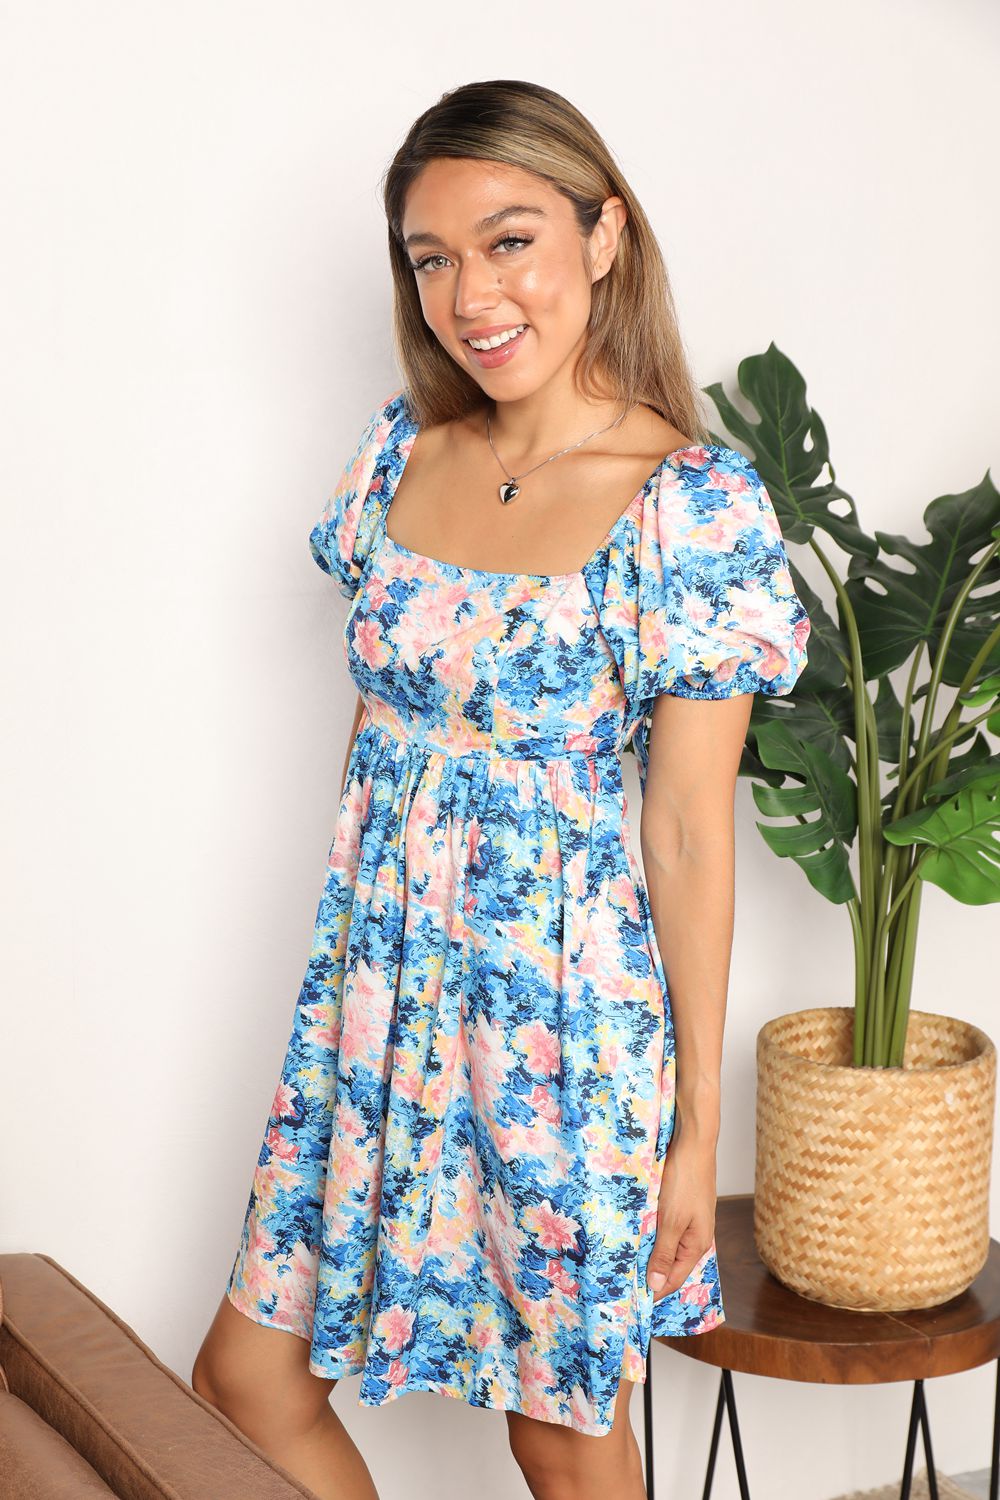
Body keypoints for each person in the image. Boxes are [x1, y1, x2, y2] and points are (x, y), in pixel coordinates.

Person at [191, 78, 811, 1500]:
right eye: (432, 256)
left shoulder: (688, 505)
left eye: (511, 239)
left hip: (563, 1028)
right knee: (248, 1380)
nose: (472, 292)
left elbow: (688, 832)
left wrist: (695, 1131)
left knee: (559, 1430)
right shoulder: (403, 455)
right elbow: (383, 754)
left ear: (605, 237)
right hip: (375, 998)